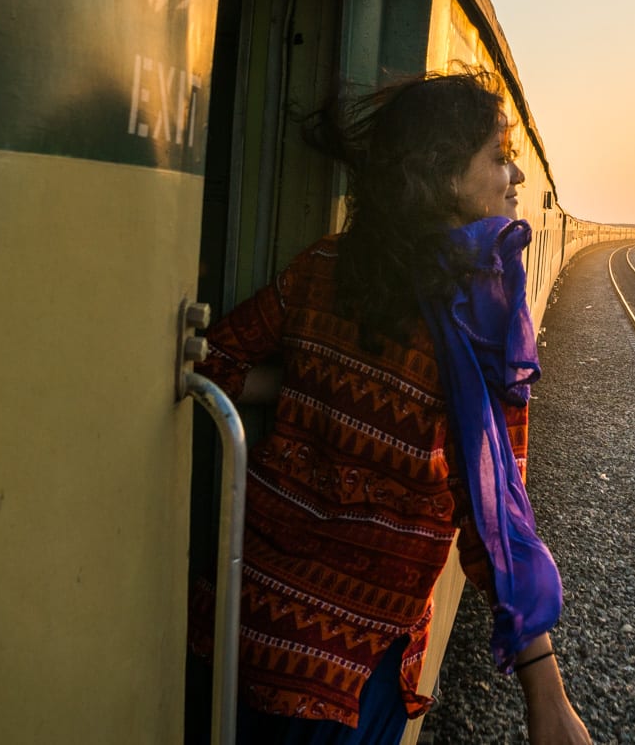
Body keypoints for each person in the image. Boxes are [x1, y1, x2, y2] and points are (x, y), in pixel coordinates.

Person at [186, 71, 591, 745]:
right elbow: (495, 517)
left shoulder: (323, 269)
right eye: (498, 155)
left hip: (241, 622)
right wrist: (546, 695)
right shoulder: (480, 322)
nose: (515, 174)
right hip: (348, 669)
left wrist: (305, 389)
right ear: (440, 172)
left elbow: (211, 362)